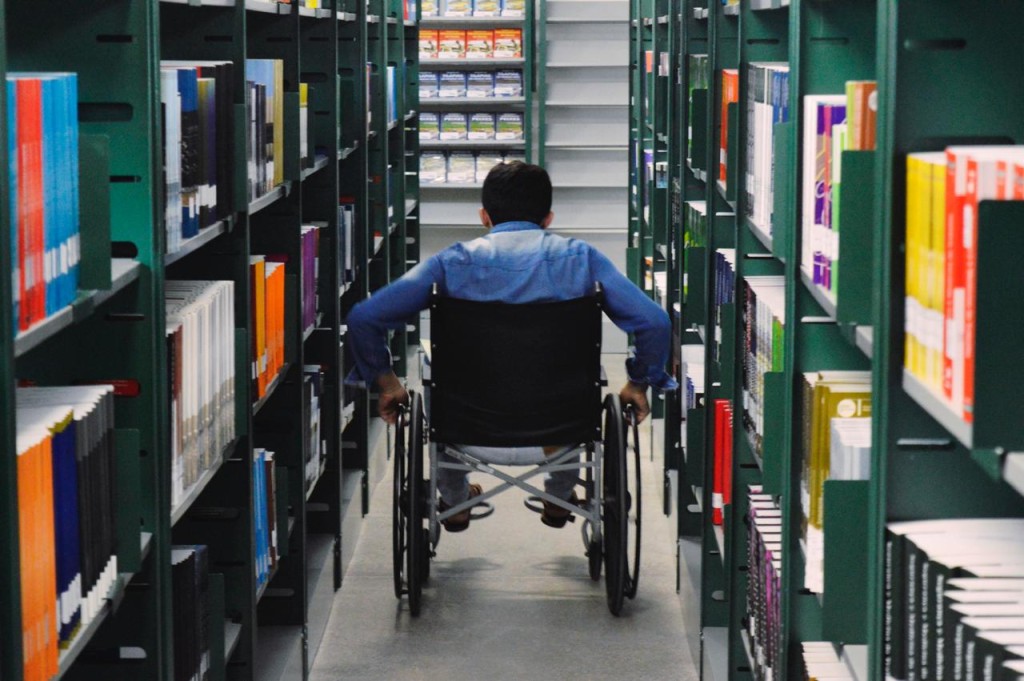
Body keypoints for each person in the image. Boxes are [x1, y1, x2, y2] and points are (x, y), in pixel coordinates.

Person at [346, 161, 676, 531]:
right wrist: (638, 383)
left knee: (435, 373)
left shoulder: (451, 263)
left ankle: (454, 502)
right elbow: (655, 322)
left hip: (466, 428)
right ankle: (559, 498)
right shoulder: (583, 260)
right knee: (577, 378)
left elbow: (364, 319)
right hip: (561, 428)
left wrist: (387, 383)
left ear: (484, 216)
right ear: (548, 219)